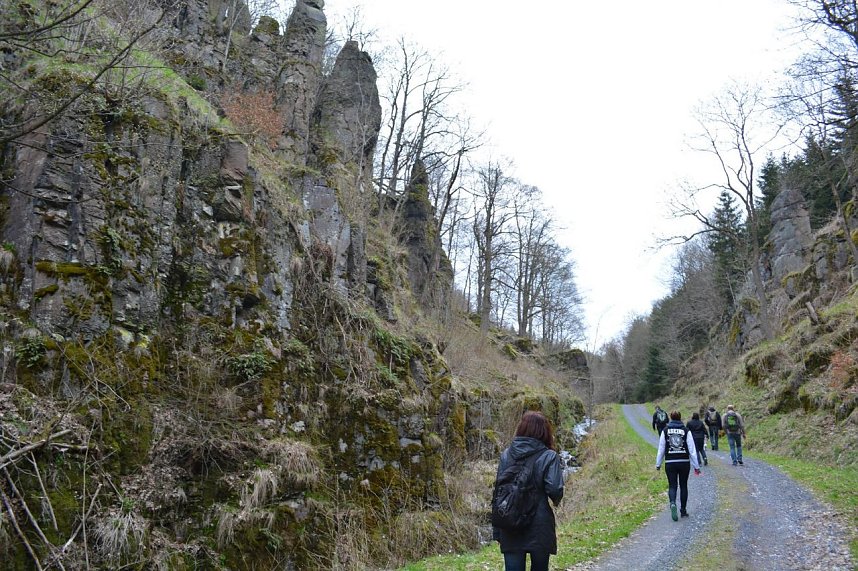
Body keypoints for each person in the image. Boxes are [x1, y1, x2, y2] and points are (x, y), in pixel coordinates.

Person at [493, 411, 564, 571]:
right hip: (539, 525)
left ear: (521, 428)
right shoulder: (549, 456)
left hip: (510, 522)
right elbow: (555, 489)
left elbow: (498, 493)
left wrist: (497, 531)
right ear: (544, 431)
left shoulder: (506, 455)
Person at [655, 411, 701, 521]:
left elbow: (661, 448)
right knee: (683, 485)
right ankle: (683, 511)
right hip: (684, 461)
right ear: (680, 418)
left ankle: (672, 503)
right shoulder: (685, 430)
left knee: (672, 485)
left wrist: (658, 464)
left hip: (670, 462)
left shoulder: (665, 431)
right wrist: (696, 466)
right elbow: (692, 449)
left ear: (670, 418)